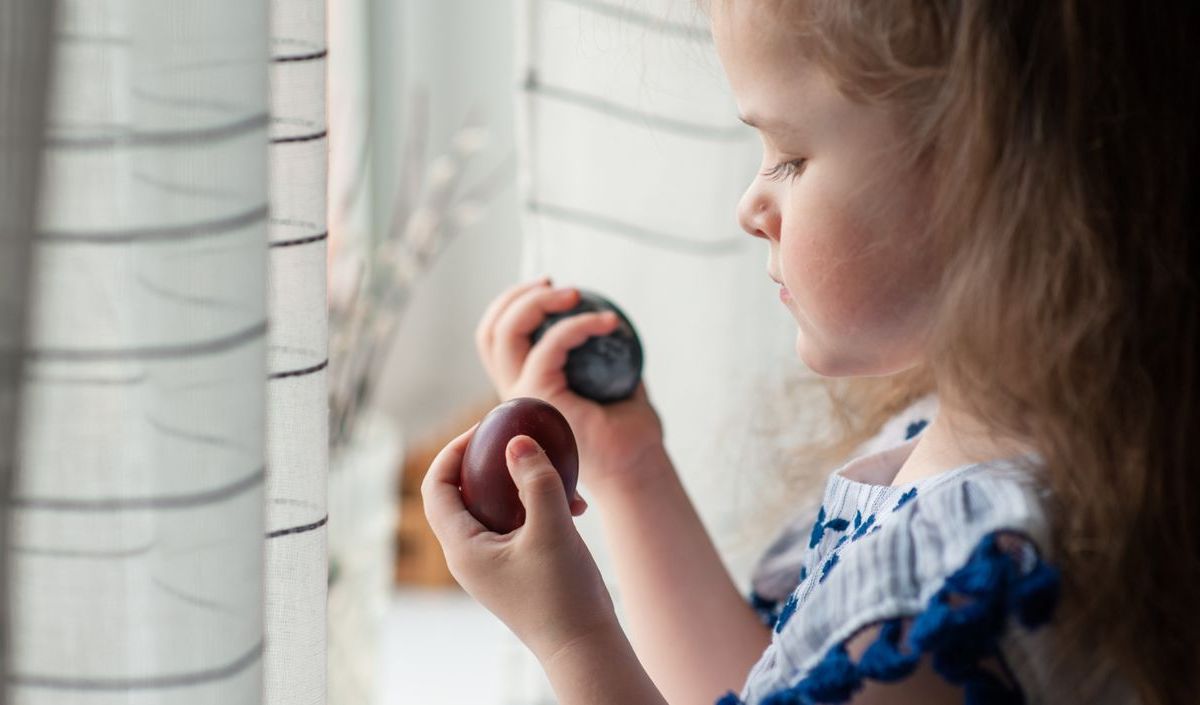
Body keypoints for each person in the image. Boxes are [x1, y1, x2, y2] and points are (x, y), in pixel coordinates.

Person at [421, 1, 1199, 703]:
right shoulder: (968, 455)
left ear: (987, 177)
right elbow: (773, 685)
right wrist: (630, 467)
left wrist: (570, 636)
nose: (750, 206)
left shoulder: (959, 605)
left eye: (789, 155)